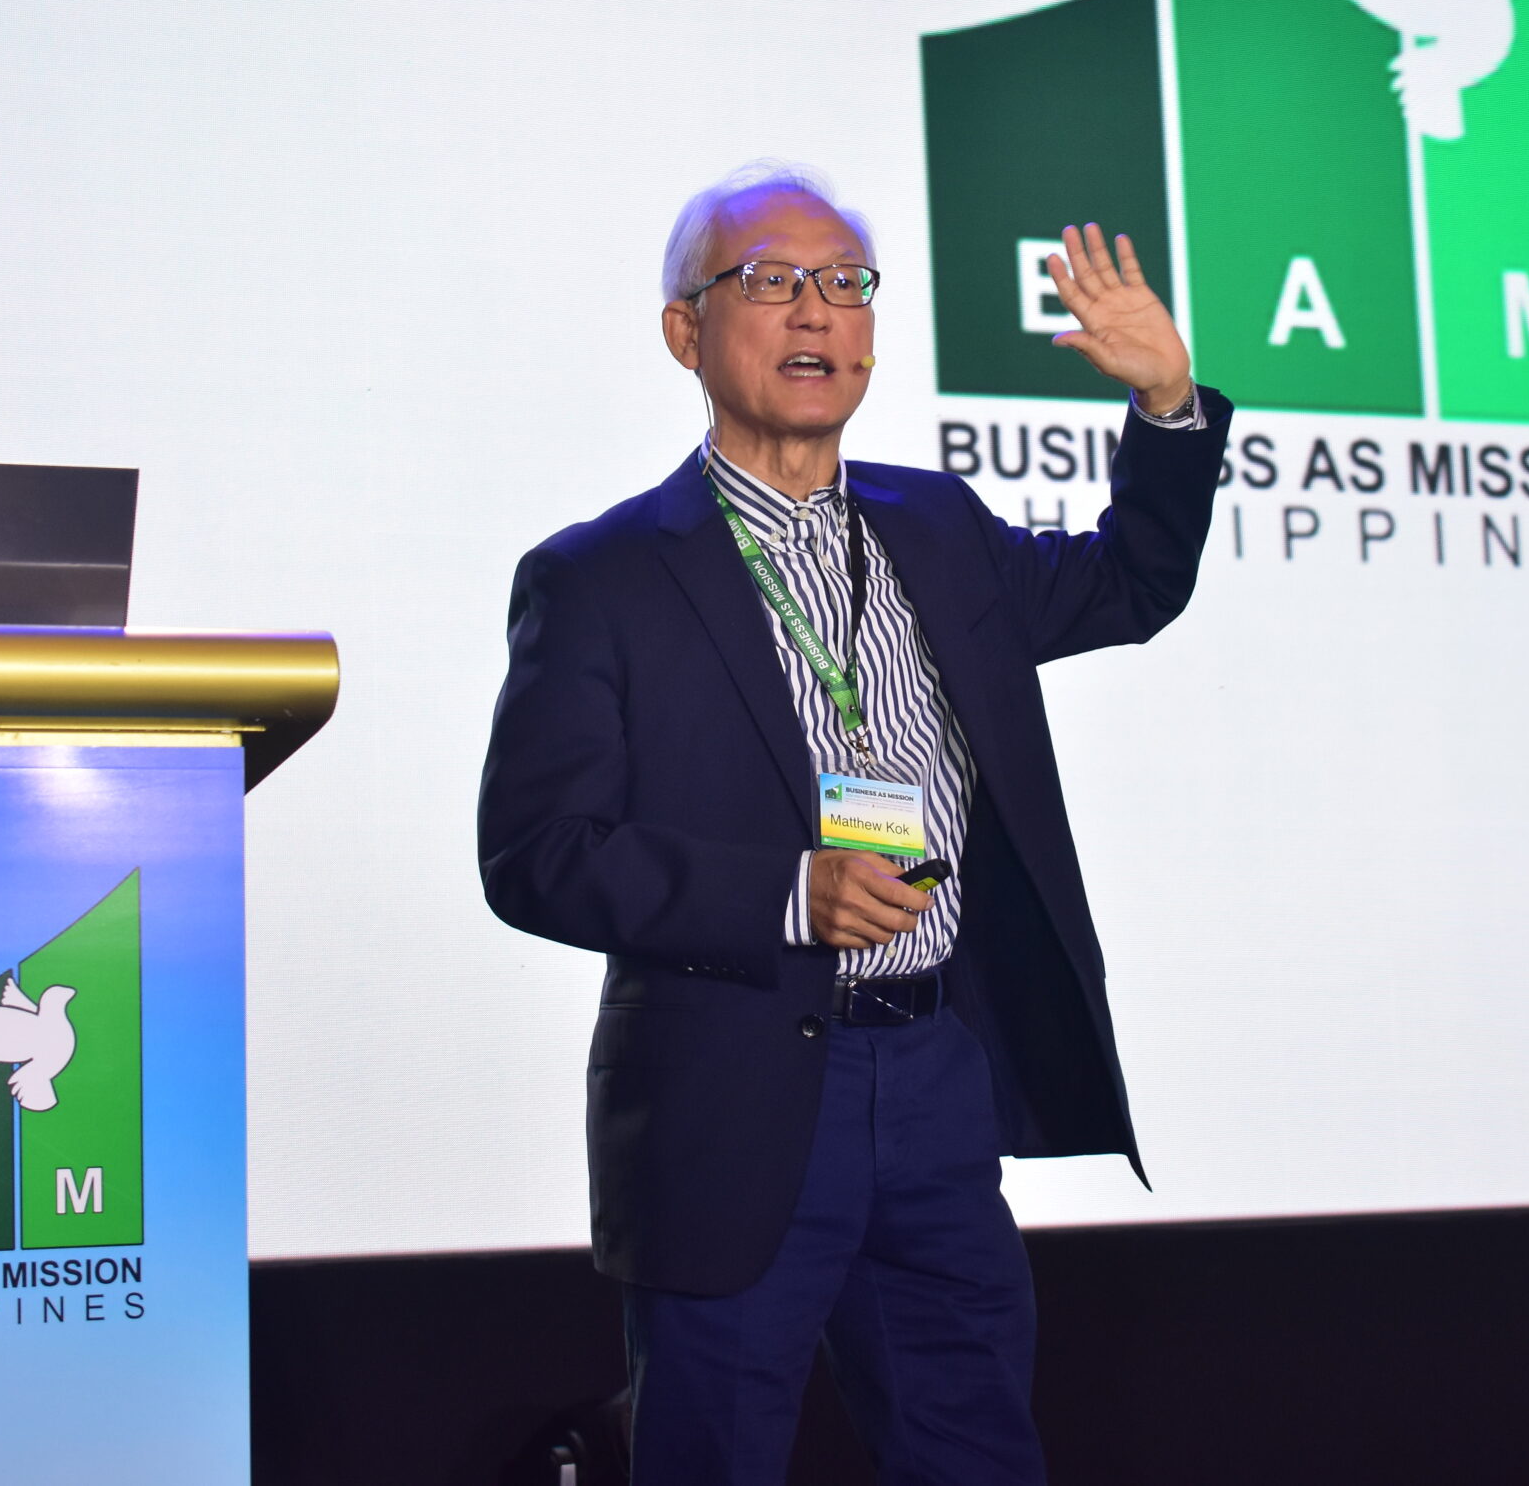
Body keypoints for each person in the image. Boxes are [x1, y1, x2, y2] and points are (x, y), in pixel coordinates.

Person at [477, 159, 1232, 1484]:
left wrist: (1166, 403)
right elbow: (535, 856)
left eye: (844, 282)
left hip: (933, 1073)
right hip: (734, 1094)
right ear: (686, 332)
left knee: (975, 1452)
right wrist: (788, 893)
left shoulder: (936, 526)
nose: (816, 310)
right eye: (771, 281)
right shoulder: (601, 578)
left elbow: (1132, 584)